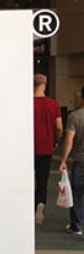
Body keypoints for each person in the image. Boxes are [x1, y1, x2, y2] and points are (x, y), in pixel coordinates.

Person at [33, 74, 62, 224]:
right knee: (42, 179)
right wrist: (56, 140)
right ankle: (40, 203)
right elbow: (59, 127)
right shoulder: (53, 104)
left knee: (28, 178)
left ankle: (28, 206)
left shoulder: (27, 103)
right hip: (46, 147)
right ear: (45, 85)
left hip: (29, 148)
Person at [59, 84, 84, 235]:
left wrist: (63, 160)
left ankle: (77, 226)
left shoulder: (75, 116)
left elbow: (69, 140)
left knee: (77, 193)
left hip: (80, 161)